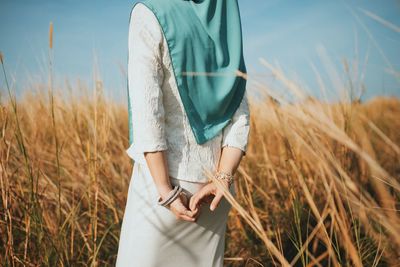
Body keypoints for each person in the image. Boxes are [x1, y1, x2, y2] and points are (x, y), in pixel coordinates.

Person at [116, 0, 250, 266]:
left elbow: (148, 112)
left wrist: (165, 191)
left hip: (163, 190)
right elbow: (241, 114)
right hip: (215, 192)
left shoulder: (150, 13)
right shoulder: (225, 15)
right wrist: (223, 177)